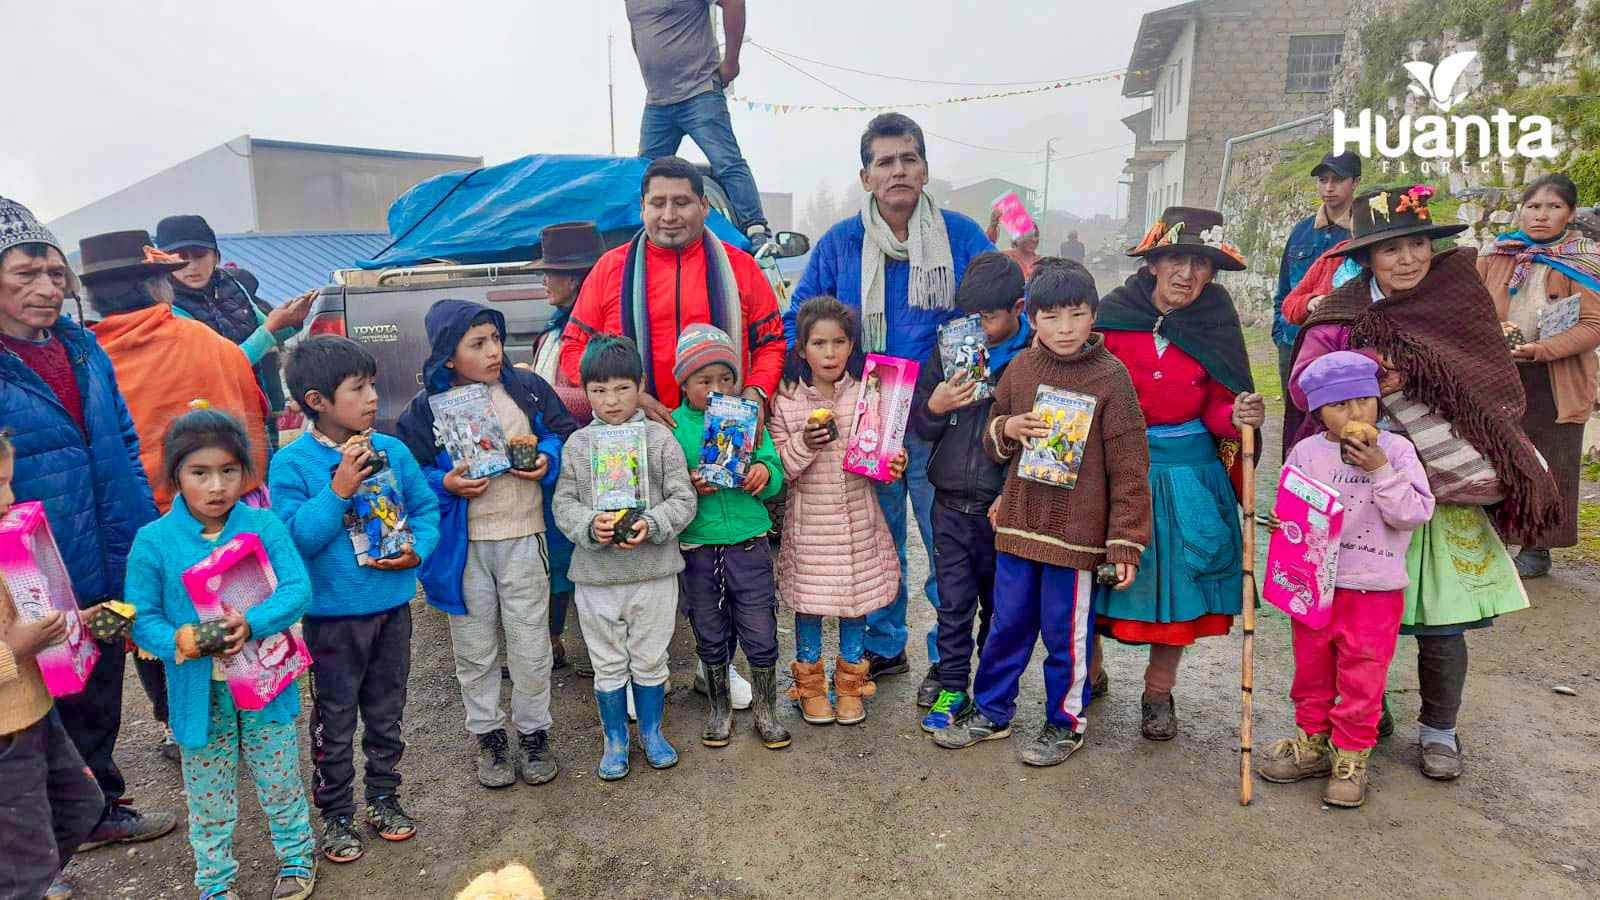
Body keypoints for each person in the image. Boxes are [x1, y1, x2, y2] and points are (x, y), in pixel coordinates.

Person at [1292, 185, 1559, 781]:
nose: (1408, 259)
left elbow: (1493, 385)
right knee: (1359, 617)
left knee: (1440, 623)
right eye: (1391, 250)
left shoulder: (1457, 300)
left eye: (1417, 244)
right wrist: (1358, 382)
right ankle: (1370, 713)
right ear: (1366, 260)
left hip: (1445, 491)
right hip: (1361, 494)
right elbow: (1304, 385)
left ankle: (1440, 730)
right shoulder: (1341, 315)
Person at [788, 112, 996, 689]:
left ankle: (948, 657)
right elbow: (798, 319)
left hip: (944, 418)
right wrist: (796, 384)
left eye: (908, 159)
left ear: (925, 168)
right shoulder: (840, 244)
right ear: (865, 176)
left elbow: (999, 309)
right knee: (880, 540)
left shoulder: (960, 236)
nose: (898, 171)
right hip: (869, 413)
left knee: (945, 543)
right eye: (884, 162)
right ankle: (884, 645)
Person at [0, 197, 177, 850]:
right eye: (26, 274)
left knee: (100, 691)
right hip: (32, 579)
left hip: (111, 559)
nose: (47, 289)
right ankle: (39, 848)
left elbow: (125, 442)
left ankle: (99, 808)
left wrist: (145, 535)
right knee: (34, 711)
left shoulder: (82, 347)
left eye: (53, 273)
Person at [933, 259, 1151, 766]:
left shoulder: (1112, 379)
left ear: (1094, 315)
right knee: (1006, 623)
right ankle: (991, 711)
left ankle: (1064, 723)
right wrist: (1008, 430)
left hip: (1074, 540)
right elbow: (994, 436)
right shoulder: (1021, 370)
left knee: (1065, 636)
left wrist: (1124, 541)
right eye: (1052, 317)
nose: (1065, 328)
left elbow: (1130, 465)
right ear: (1032, 318)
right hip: (1017, 529)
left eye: (1076, 315)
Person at [125, 407, 317, 900]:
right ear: (175, 476)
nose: (216, 487)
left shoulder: (263, 525)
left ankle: (296, 857)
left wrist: (253, 622)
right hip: (199, 694)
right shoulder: (154, 542)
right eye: (200, 473)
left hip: (264, 684)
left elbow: (297, 588)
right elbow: (141, 618)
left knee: (278, 777)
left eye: (228, 471)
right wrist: (179, 641)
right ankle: (214, 882)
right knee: (209, 795)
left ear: (244, 471)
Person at [1095, 206, 1267, 741]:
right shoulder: (1112, 317)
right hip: (1118, 471)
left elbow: (1218, 405)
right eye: (1175, 259)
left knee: (1179, 594)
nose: (1185, 274)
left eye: (1199, 262)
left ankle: (1157, 695)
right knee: (1091, 583)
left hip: (1189, 475)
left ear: (1213, 272)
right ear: (1153, 263)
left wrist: (1236, 417)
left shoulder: (1215, 324)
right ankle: (1089, 673)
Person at [270, 336, 442, 864]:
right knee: (335, 719)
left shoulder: (391, 450)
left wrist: (416, 552)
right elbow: (295, 539)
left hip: (392, 608)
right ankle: (337, 813)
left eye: (372, 385)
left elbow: (426, 510)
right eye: (358, 388)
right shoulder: (292, 464)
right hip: (332, 620)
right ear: (318, 401)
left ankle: (385, 798)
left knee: (387, 713)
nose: (372, 396)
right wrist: (339, 488)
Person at [396, 299, 577, 789]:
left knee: (530, 642)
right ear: (447, 357)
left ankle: (535, 731)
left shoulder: (528, 390)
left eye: (495, 339)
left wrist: (547, 460)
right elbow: (408, 473)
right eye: (477, 344)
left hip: (524, 534)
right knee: (474, 648)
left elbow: (563, 434)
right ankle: (489, 735)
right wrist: (445, 485)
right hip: (463, 548)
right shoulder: (425, 411)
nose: (494, 351)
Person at [1258, 352, 1434, 808]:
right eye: (1340, 406)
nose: (1356, 415)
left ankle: (1352, 756)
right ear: (1318, 413)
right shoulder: (1307, 453)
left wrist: (1379, 470)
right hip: (1315, 587)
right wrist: (1284, 523)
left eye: (1364, 401)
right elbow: (1293, 511)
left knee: (1363, 675)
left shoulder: (1397, 452)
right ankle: (1313, 743)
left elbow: (1412, 514)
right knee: (1312, 670)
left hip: (1374, 590)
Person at [552, 335, 698, 779]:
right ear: (585, 392)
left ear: (640, 385)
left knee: (652, 657)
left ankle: (651, 733)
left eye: (621, 388)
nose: (611, 401)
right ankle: (615, 739)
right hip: (597, 577)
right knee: (608, 662)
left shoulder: (659, 440)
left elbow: (683, 498)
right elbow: (564, 503)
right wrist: (587, 527)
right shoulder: (578, 445)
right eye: (598, 390)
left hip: (652, 572)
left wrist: (652, 524)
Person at [907, 252, 1032, 732]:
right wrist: (935, 406)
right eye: (970, 316)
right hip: (950, 504)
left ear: (1018, 307)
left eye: (988, 317)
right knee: (953, 602)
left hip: (1005, 510)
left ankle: (990, 694)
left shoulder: (1034, 360)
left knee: (1001, 608)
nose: (977, 326)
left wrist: (1013, 493)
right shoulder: (949, 352)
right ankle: (953, 688)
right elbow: (920, 422)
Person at [559, 157, 785, 420]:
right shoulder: (610, 269)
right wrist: (628, 395)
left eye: (681, 203)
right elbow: (573, 348)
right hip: (634, 431)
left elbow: (772, 344)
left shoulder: (742, 268)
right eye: (658, 203)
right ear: (643, 208)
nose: (669, 216)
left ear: (704, 206)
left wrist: (755, 393)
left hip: (724, 431)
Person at [767, 297, 904, 726]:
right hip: (810, 526)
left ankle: (850, 687)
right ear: (802, 348)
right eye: (819, 343)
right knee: (808, 607)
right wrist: (807, 441)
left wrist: (893, 465)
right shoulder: (786, 399)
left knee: (854, 604)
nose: (829, 353)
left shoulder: (872, 390)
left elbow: (880, 460)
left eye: (839, 342)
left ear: (852, 345)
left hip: (859, 522)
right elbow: (783, 470)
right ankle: (810, 688)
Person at [81, 230, 271, 512]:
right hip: (232, 512)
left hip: (143, 520)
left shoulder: (87, 363)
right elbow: (256, 416)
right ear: (157, 286)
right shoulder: (209, 342)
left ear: (94, 299)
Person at [667, 324, 790, 749]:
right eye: (704, 381)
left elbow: (775, 471)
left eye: (726, 378)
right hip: (698, 546)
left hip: (749, 541)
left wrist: (763, 473)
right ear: (682, 382)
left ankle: (766, 710)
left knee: (759, 625)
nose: (717, 388)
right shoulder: (674, 427)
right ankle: (719, 708)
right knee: (708, 626)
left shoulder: (747, 419)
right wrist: (688, 482)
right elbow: (666, 485)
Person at [1475, 173, 1600, 579]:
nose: (1541, 216)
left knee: (1551, 461)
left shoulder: (1584, 259)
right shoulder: (1496, 253)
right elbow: (1470, 306)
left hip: (1554, 379)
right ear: (1521, 210)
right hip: (1498, 373)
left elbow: (1594, 324)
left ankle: (1537, 546)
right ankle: (1494, 536)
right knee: (1498, 456)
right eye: (1533, 206)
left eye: (1553, 207)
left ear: (1570, 213)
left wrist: (1542, 349)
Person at [0, 430, 106, 900]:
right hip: (6, 737)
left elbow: (31, 609)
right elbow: (17, 640)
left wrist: (74, 623)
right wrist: (16, 649)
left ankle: (28, 880)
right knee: (28, 856)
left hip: (38, 716)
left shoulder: (8, 543)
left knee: (82, 806)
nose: (7, 500)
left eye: (8, 483)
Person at [157, 214, 315, 449]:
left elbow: (266, 331)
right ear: (163, 262)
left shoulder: (231, 285)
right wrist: (271, 328)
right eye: (179, 257)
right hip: (212, 428)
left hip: (257, 412)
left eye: (199, 255)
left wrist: (292, 320)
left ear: (215, 256)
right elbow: (217, 370)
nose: (191, 265)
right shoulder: (167, 309)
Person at [624, 0, 770, 245]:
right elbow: (638, 32)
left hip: (699, 91)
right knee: (645, 173)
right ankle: (639, 237)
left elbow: (734, 2)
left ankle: (755, 229)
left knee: (727, 162)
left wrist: (731, 61)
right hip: (658, 102)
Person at [529, 221, 607, 675]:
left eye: (550, 272)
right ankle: (552, 640)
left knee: (582, 550)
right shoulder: (553, 332)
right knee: (554, 552)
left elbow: (596, 396)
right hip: (555, 457)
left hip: (588, 460)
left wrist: (537, 391)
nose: (544, 281)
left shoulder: (597, 334)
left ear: (574, 279)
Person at [1273, 152, 1358, 458]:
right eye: (1323, 180)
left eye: (1337, 180)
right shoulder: (1301, 231)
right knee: (1297, 417)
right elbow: (1284, 288)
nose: (1329, 188)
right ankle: (1296, 482)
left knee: (1341, 421)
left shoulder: (1362, 232)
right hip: (1294, 339)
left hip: (1342, 346)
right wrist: (1281, 337)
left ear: (1355, 183)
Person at [985, 211, 1043, 281]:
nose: (1034, 239)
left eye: (1036, 235)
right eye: (1029, 235)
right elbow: (985, 254)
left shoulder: (1042, 263)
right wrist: (993, 227)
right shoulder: (1005, 258)